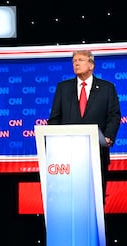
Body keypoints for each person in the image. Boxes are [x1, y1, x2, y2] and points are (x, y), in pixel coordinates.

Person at [48, 50, 121, 197]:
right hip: (67, 154)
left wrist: (108, 137)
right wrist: (54, 143)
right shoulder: (63, 88)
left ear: (91, 65)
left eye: (80, 60)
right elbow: (55, 118)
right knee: (69, 196)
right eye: (74, 61)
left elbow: (114, 116)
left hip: (97, 151)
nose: (76, 63)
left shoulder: (107, 88)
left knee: (96, 196)